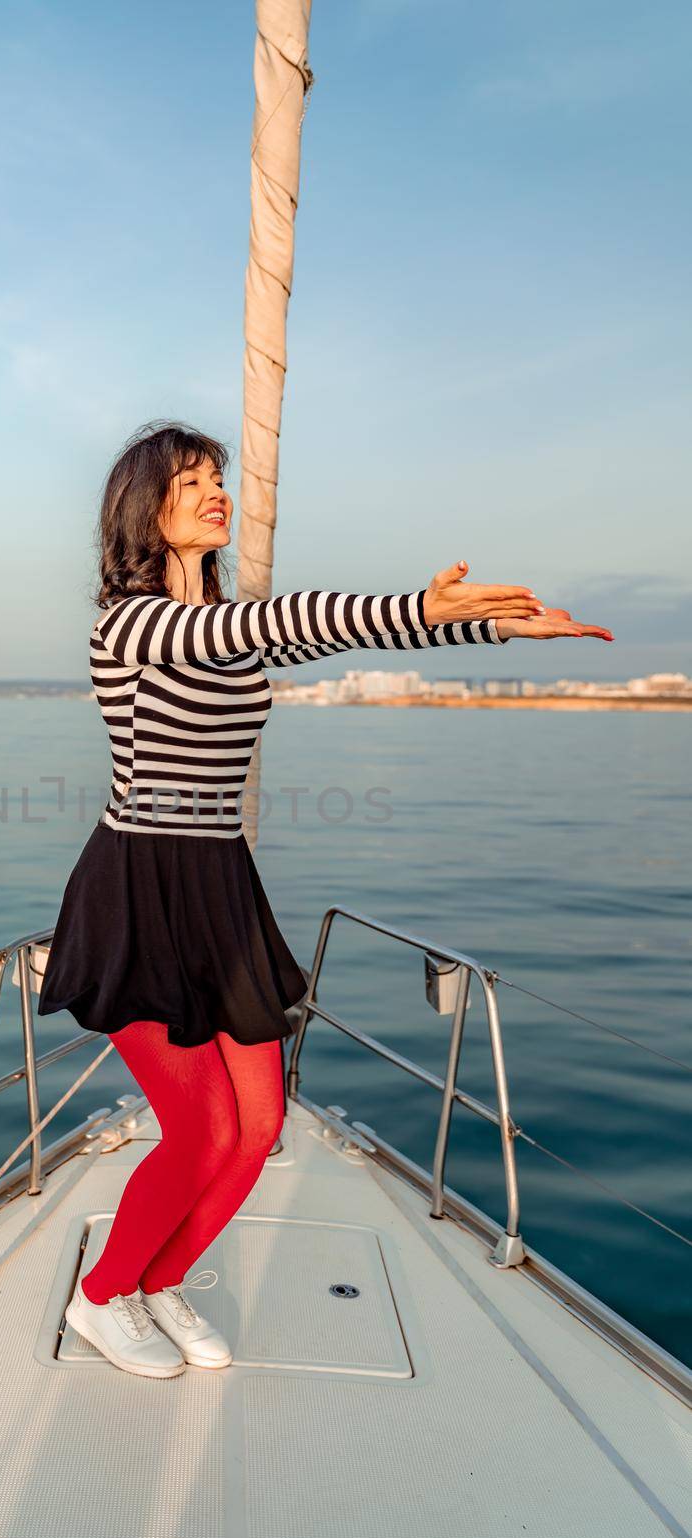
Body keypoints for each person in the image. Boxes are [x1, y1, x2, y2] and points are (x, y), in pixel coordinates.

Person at [39, 420, 612, 1379]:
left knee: (257, 1126)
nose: (215, 491)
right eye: (191, 480)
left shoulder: (213, 623)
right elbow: (275, 625)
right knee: (199, 1130)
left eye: (218, 476)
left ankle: (156, 1278)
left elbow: (280, 635)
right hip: (138, 888)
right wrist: (422, 608)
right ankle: (101, 1298)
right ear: (146, 507)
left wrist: (486, 627)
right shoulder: (129, 622)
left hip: (220, 885)